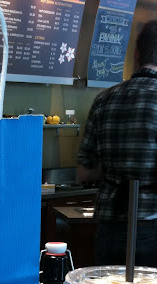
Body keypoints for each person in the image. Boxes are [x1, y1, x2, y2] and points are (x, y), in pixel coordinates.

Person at [77, 20, 157, 268]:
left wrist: (117, 170)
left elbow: (84, 172)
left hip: (109, 226)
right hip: (152, 225)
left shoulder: (104, 99)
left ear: (136, 55)